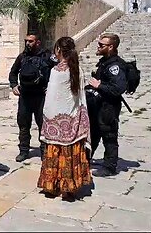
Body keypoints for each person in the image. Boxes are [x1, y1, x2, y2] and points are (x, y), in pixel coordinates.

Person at [37, 37, 92, 201]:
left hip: (56, 121)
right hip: (72, 120)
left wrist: (47, 117)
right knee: (70, 152)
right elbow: (79, 97)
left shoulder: (56, 72)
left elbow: (52, 98)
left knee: (55, 151)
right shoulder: (78, 70)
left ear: (59, 50)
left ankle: (52, 186)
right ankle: (69, 187)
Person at [8, 33, 58, 162]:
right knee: (23, 125)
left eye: (30, 41)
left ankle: (44, 152)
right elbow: (13, 73)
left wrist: (51, 87)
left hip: (41, 96)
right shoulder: (22, 57)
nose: (27, 44)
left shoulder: (47, 56)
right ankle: (23, 151)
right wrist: (14, 85)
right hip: (25, 96)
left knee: (42, 125)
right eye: (26, 41)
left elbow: (58, 71)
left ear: (38, 42)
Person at [86, 33, 128, 177]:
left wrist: (99, 85)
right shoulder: (105, 62)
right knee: (94, 133)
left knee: (109, 135)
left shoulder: (115, 66)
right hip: (98, 105)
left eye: (101, 45)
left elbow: (118, 88)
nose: (98, 47)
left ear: (111, 47)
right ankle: (86, 159)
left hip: (108, 107)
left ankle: (110, 166)